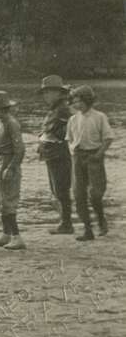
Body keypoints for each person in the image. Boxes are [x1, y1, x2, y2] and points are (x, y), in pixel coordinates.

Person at [67, 85, 113, 241]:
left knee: (95, 194)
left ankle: (101, 220)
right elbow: (70, 139)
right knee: (78, 194)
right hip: (78, 157)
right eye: (74, 101)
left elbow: (108, 138)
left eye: (79, 101)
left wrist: (99, 155)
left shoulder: (99, 117)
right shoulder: (73, 119)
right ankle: (88, 229)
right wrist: (73, 152)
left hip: (94, 156)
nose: (76, 104)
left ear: (88, 100)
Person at [36, 75, 74, 234]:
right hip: (51, 154)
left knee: (61, 188)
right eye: (45, 93)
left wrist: (52, 136)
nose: (46, 96)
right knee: (56, 188)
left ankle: (66, 223)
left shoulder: (64, 109)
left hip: (60, 153)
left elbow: (70, 129)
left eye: (49, 92)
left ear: (59, 93)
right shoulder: (55, 109)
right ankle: (64, 221)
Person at [0, 91, 26, 250]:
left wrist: (11, 167)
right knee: (1, 201)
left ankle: (17, 236)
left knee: (8, 201)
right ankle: (6, 234)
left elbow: (20, 149)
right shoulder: (0, 123)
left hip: (9, 161)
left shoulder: (11, 123)